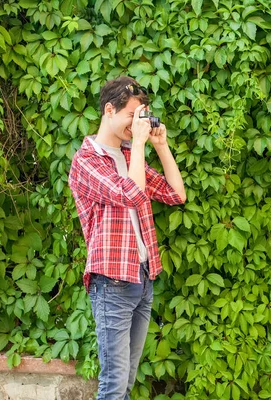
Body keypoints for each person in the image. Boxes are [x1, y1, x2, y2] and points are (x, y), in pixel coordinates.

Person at [68, 76, 186, 399]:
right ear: (109, 109)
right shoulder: (86, 162)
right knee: (113, 386)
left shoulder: (128, 155)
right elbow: (132, 193)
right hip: (112, 284)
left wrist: (160, 146)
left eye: (140, 118)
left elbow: (176, 194)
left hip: (142, 279)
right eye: (131, 117)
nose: (136, 125)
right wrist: (137, 144)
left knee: (127, 384)